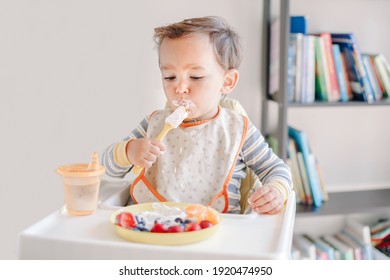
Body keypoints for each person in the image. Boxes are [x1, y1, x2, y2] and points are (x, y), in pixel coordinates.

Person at [102, 16, 292, 215]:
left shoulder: (238, 130)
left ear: (227, 82)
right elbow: (110, 168)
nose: (180, 88)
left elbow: (276, 169)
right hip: (152, 225)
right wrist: (128, 151)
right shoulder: (154, 124)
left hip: (215, 234)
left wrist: (276, 191)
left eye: (196, 77)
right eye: (169, 77)